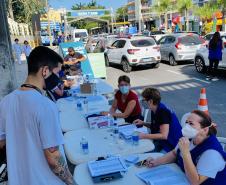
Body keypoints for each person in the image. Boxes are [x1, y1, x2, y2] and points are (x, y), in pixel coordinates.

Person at [0, 46, 76, 185]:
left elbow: (2, 143)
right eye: (57, 73)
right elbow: (53, 158)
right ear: (45, 71)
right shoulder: (46, 106)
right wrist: (71, 182)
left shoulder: (5, 102)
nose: (59, 78)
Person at [145, 110, 226, 185]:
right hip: (183, 177)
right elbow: (174, 153)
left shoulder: (212, 153)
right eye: (186, 122)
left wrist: (186, 153)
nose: (186, 126)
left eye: (191, 123)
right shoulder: (189, 137)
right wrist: (155, 162)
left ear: (204, 130)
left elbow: (196, 182)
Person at [134, 88, 182, 152]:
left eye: (143, 100)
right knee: (143, 149)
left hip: (172, 146)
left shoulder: (163, 112)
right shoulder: (155, 108)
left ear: (150, 101)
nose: (142, 102)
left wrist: (144, 136)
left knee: (148, 154)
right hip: (163, 142)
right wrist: (143, 123)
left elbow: (164, 135)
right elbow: (156, 125)